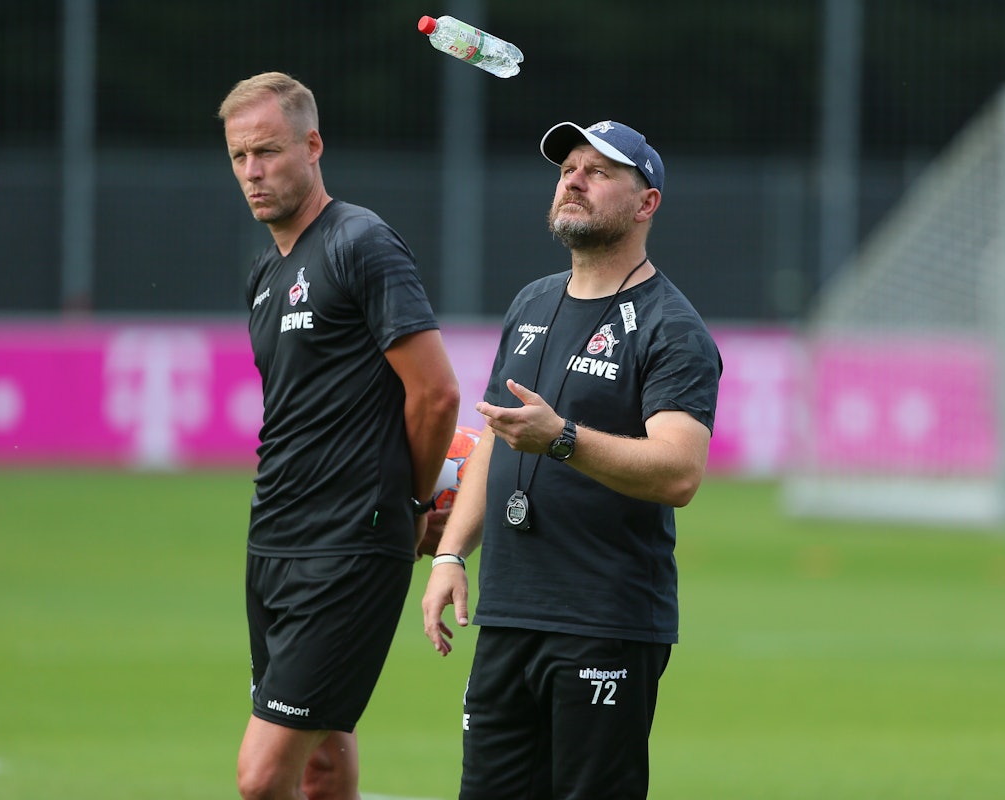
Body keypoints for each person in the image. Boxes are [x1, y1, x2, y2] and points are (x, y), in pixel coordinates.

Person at [421, 120, 722, 799]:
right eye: (567, 169)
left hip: (603, 623)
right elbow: (496, 436)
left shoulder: (670, 327)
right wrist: (449, 555)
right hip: (507, 614)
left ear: (646, 203)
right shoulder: (531, 301)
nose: (573, 179)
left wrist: (563, 438)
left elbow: (679, 472)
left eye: (599, 171)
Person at [218, 72, 460, 800]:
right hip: (276, 542)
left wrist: (413, 506)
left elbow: (435, 392)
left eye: (268, 151)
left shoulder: (361, 242)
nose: (254, 172)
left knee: (261, 779)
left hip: (349, 546)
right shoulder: (264, 270)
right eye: (239, 158)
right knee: (320, 761)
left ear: (312, 145)